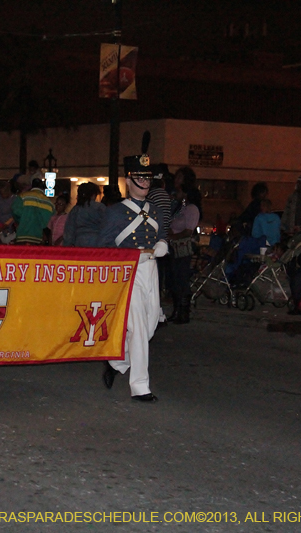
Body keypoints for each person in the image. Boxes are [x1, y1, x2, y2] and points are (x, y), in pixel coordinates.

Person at [96, 133, 168, 402]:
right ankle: (140, 386)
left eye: (148, 177)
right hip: (128, 272)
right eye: (140, 177)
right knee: (137, 326)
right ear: (129, 179)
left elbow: (161, 235)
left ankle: (116, 364)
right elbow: (103, 247)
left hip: (151, 270)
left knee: (149, 327)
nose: (145, 182)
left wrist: (162, 245)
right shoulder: (116, 212)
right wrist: (128, 256)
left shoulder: (155, 209)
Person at [167, 182, 200, 324]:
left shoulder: (192, 209)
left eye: (179, 192)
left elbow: (188, 231)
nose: (177, 194)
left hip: (182, 248)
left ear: (186, 194)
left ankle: (183, 312)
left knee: (181, 279)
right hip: (174, 247)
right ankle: (177, 310)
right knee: (174, 280)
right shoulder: (181, 208)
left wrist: (173, 237)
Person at [12, 178, 54, 245]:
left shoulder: (23, 197)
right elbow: (51, 221)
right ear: (42, 187)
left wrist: (20, 222)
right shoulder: (49, 202)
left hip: (22, 235)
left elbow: (15, 211)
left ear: (32, 186)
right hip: (39, 238)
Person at [63, 182, 105, 247]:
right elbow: (107, 225)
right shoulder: (100, 207)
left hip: (79, 242)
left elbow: (69, 231)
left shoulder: (76, 209)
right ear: (93, 194)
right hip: (97, 241)